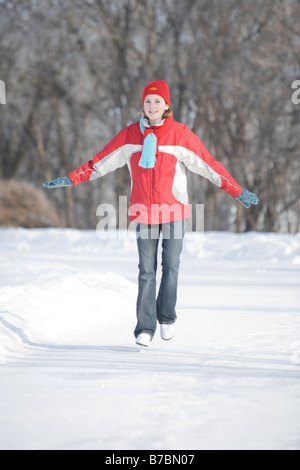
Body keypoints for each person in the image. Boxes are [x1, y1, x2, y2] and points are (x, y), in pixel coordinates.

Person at [43, 79, 258, 347]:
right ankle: (145, 327)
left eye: (157, 101)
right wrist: (70, 179)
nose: (152, 106)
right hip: (144, 212)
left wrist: (237, 191)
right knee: (146, 271)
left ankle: (166, 315)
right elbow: (100, 162)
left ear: (167, 105)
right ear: (142, 106)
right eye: (147, 101)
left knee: (171, 267)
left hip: (174, 211)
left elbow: (209, 165)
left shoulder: (180, 134)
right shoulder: (130, 135)